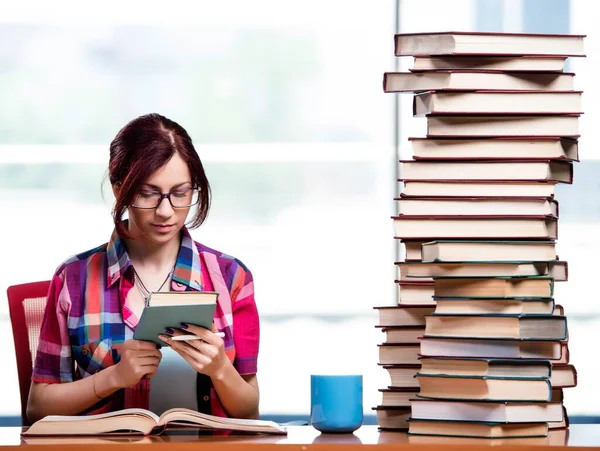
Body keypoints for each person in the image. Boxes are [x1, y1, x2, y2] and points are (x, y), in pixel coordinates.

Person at [27, 113, 260, 423]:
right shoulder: (74, 279)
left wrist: (219, 369)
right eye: (148, 193)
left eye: (180, 193)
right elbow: (38, 407)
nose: (165, 211)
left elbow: (249, 410)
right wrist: (111, 378)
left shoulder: (231, 277)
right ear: (118, 187)